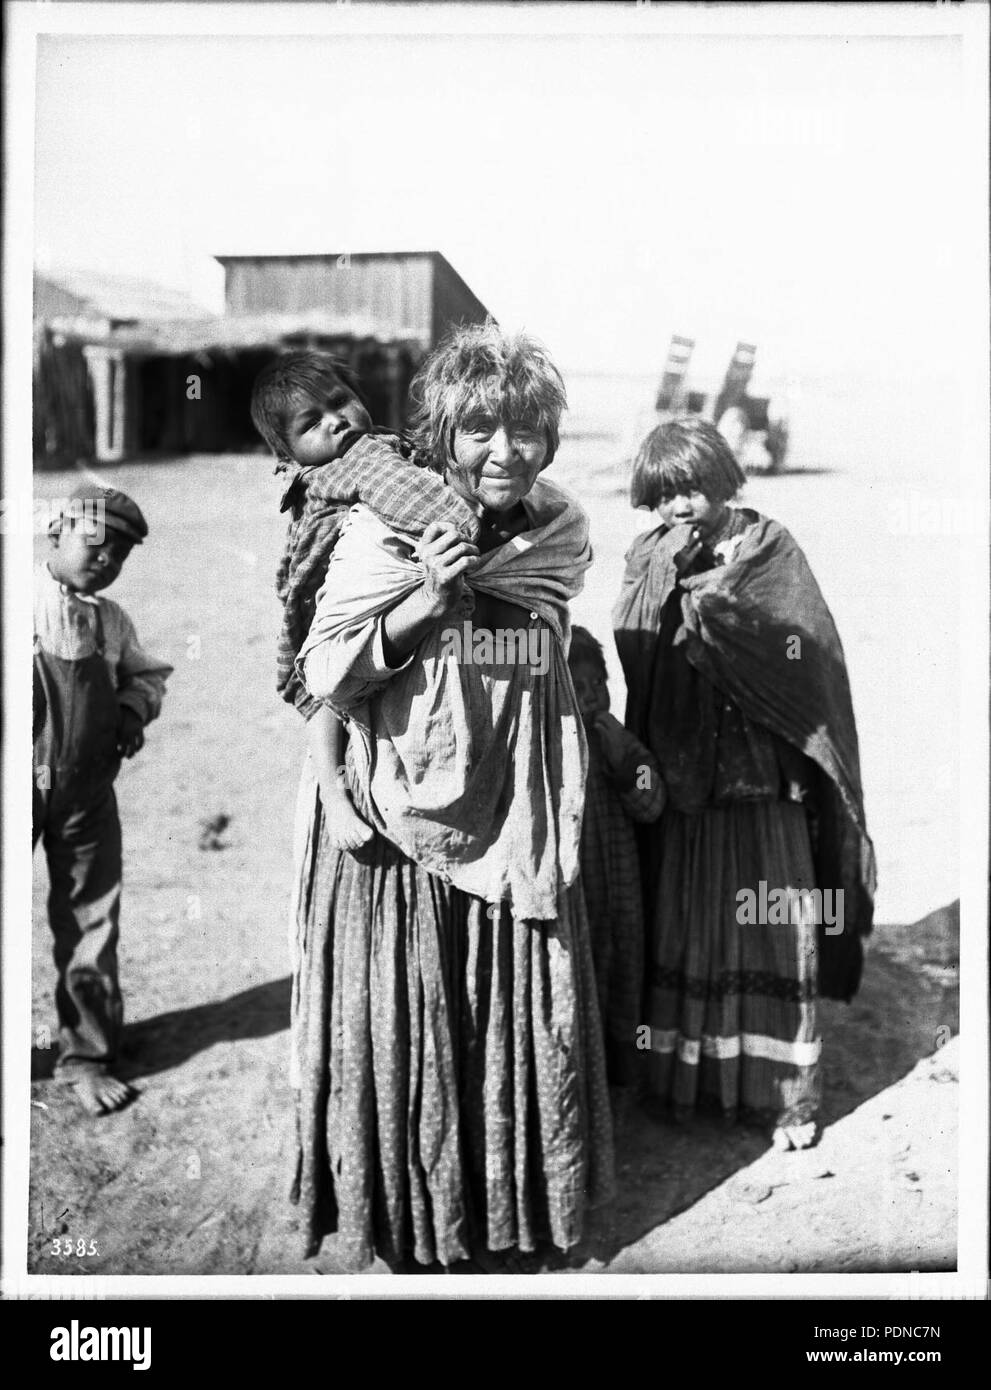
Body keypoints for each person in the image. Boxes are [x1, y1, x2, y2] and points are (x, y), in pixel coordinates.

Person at [291, 322, 614, 1271]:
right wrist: (424, 605)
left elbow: (547, 637)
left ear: (548, 438)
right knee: (413, 1009)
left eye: (522, 431)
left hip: (515, 803)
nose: (503, 452)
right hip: (403, 813)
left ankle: (512, 1209)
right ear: (441, 433)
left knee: (510, 1010)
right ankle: (415, 1222)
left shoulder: (560, 530)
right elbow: (326, 670)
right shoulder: (381, 530)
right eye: (478, 431)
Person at [613, 418, 875, 1151]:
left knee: (770, 925)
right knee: (689, 922)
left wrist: (713, 606)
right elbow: (634, 646)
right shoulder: (648, 555)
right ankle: (688, 1084)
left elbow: (805, 653)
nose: (680, 506)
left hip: (762, 783)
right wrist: (669, 583)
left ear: (726, 480)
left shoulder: (768, 551)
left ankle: (785, 1097)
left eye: (693, 488)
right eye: (663, 495)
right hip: (687, 778)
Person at [250, 350, 480, 853]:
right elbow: (425, 506)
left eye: (340, 402)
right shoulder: (360, 460)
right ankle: (335, 795)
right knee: (327, 695)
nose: (336, 423)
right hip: (326, 612)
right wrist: (464, 524)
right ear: (288, 453)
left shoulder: (367, 453)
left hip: (343, 597)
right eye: (311, 424)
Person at [33, 483, 172, 1116]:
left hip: (87, 793)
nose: (106, 560)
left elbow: (145, 675)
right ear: (56, 532)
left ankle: (86, 1055)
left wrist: (132, 708)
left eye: (120, 553)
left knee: (92, 920)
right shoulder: (21, 599)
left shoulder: (112, 622)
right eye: (96, 542)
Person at [567, 626, 665, 1101]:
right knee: (585, 983)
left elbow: (652, 803)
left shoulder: (622, 741)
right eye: (577, 687)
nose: (591, 698)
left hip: (622, 890)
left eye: (598, 685)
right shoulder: (552, 748)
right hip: (580, 894)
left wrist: (623, 760)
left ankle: (623, 1080)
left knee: (625, 973)